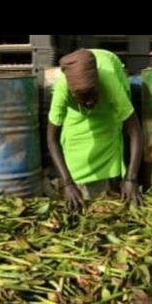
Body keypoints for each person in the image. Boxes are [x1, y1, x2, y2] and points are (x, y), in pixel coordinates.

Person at [46, 49, 143, 211]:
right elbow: (52, 139)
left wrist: (131, 179)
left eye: (93, 95)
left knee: (109, 135)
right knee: (73, 139)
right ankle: (73, 186)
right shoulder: (63, 89)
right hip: (76, 106)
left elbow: (135, 132)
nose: (90, 103)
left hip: (108, 104)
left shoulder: (110, 83)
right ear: (71, 92)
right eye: (83, 98)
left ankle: (113, 184)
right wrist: (68, 183)